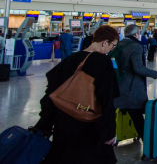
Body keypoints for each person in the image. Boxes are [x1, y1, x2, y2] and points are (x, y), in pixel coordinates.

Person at [35, 25, 120, 164]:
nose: (112, 49)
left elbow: (51, 93)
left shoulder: (70, 59)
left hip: (63, 124)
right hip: (88, 126)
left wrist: (45, 122)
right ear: (105, 42)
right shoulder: (103, 62)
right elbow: (107, 99)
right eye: (113, 45)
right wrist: (109, 132)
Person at [113, 25, 157, 140]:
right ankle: (149, 144)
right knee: (138, 117)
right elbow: (138, 68)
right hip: (131, 88)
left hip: (118, 86)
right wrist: (156, 74)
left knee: (120, 115)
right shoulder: (136, 46)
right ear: (136, 34)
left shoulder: (118, 45)